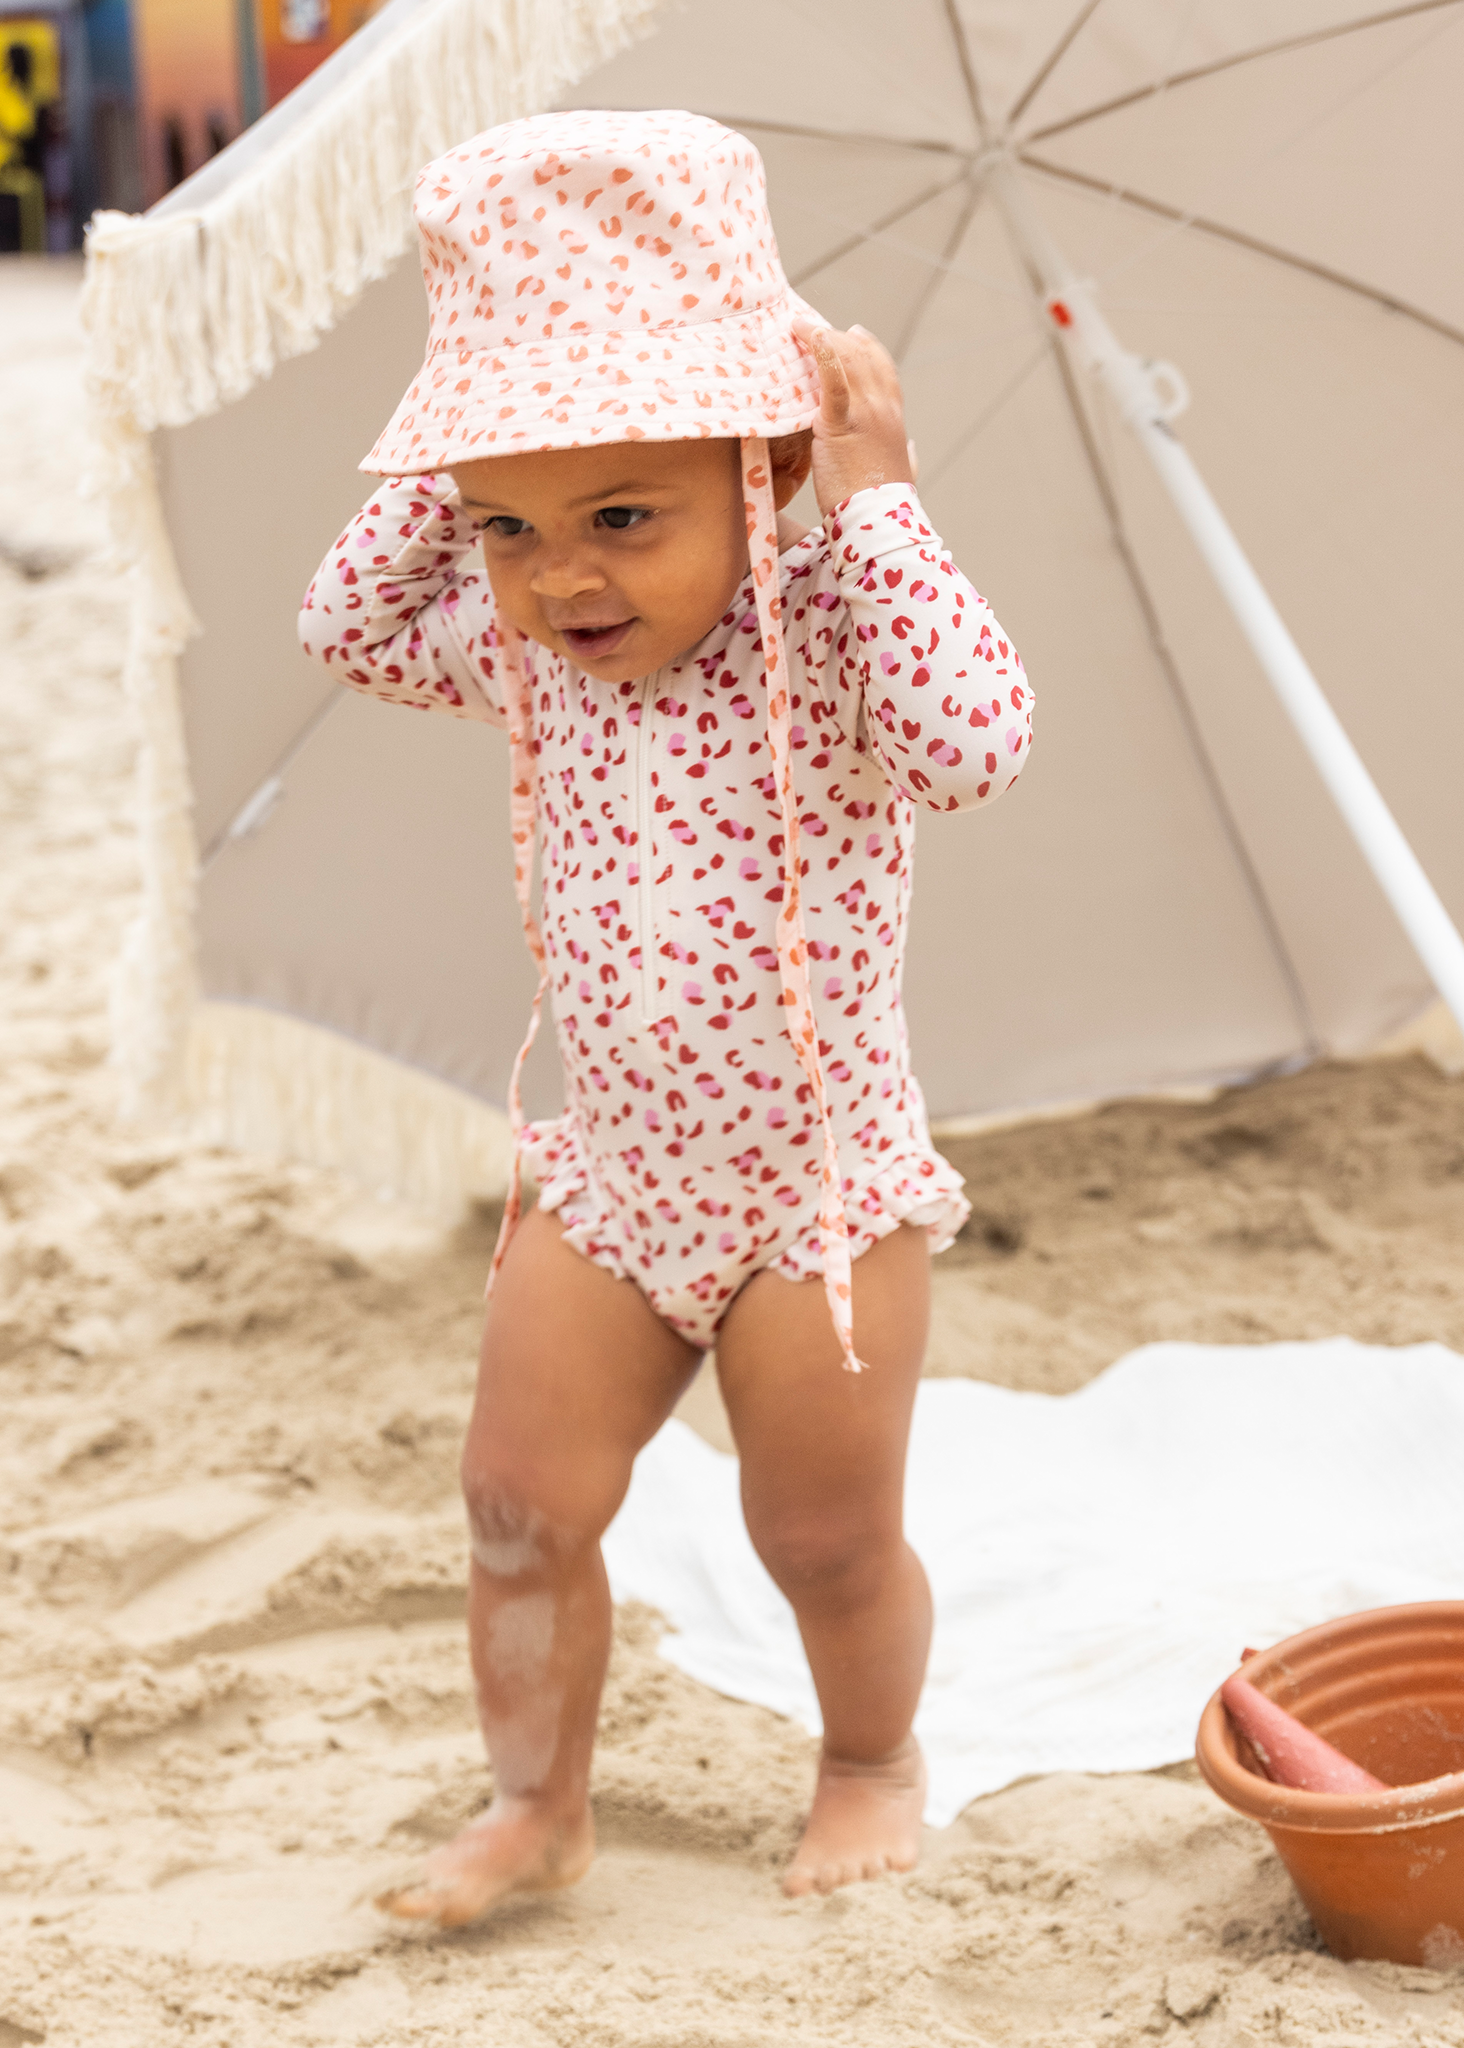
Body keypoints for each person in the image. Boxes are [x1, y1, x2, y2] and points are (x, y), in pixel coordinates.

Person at [298, 109, 1031, 1926]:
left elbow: (979, 742)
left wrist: (875, 498)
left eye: (623, 517)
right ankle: (536, 1804)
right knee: (517, 1504)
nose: (564, 578)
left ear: (754, 464)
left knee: (825, 1537)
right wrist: (455, 451)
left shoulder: (833, 623)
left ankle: (868, 1758)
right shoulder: (527, 644)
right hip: (615, 1181)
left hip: (814, 1198)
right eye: (511, 530)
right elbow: (343, 626)